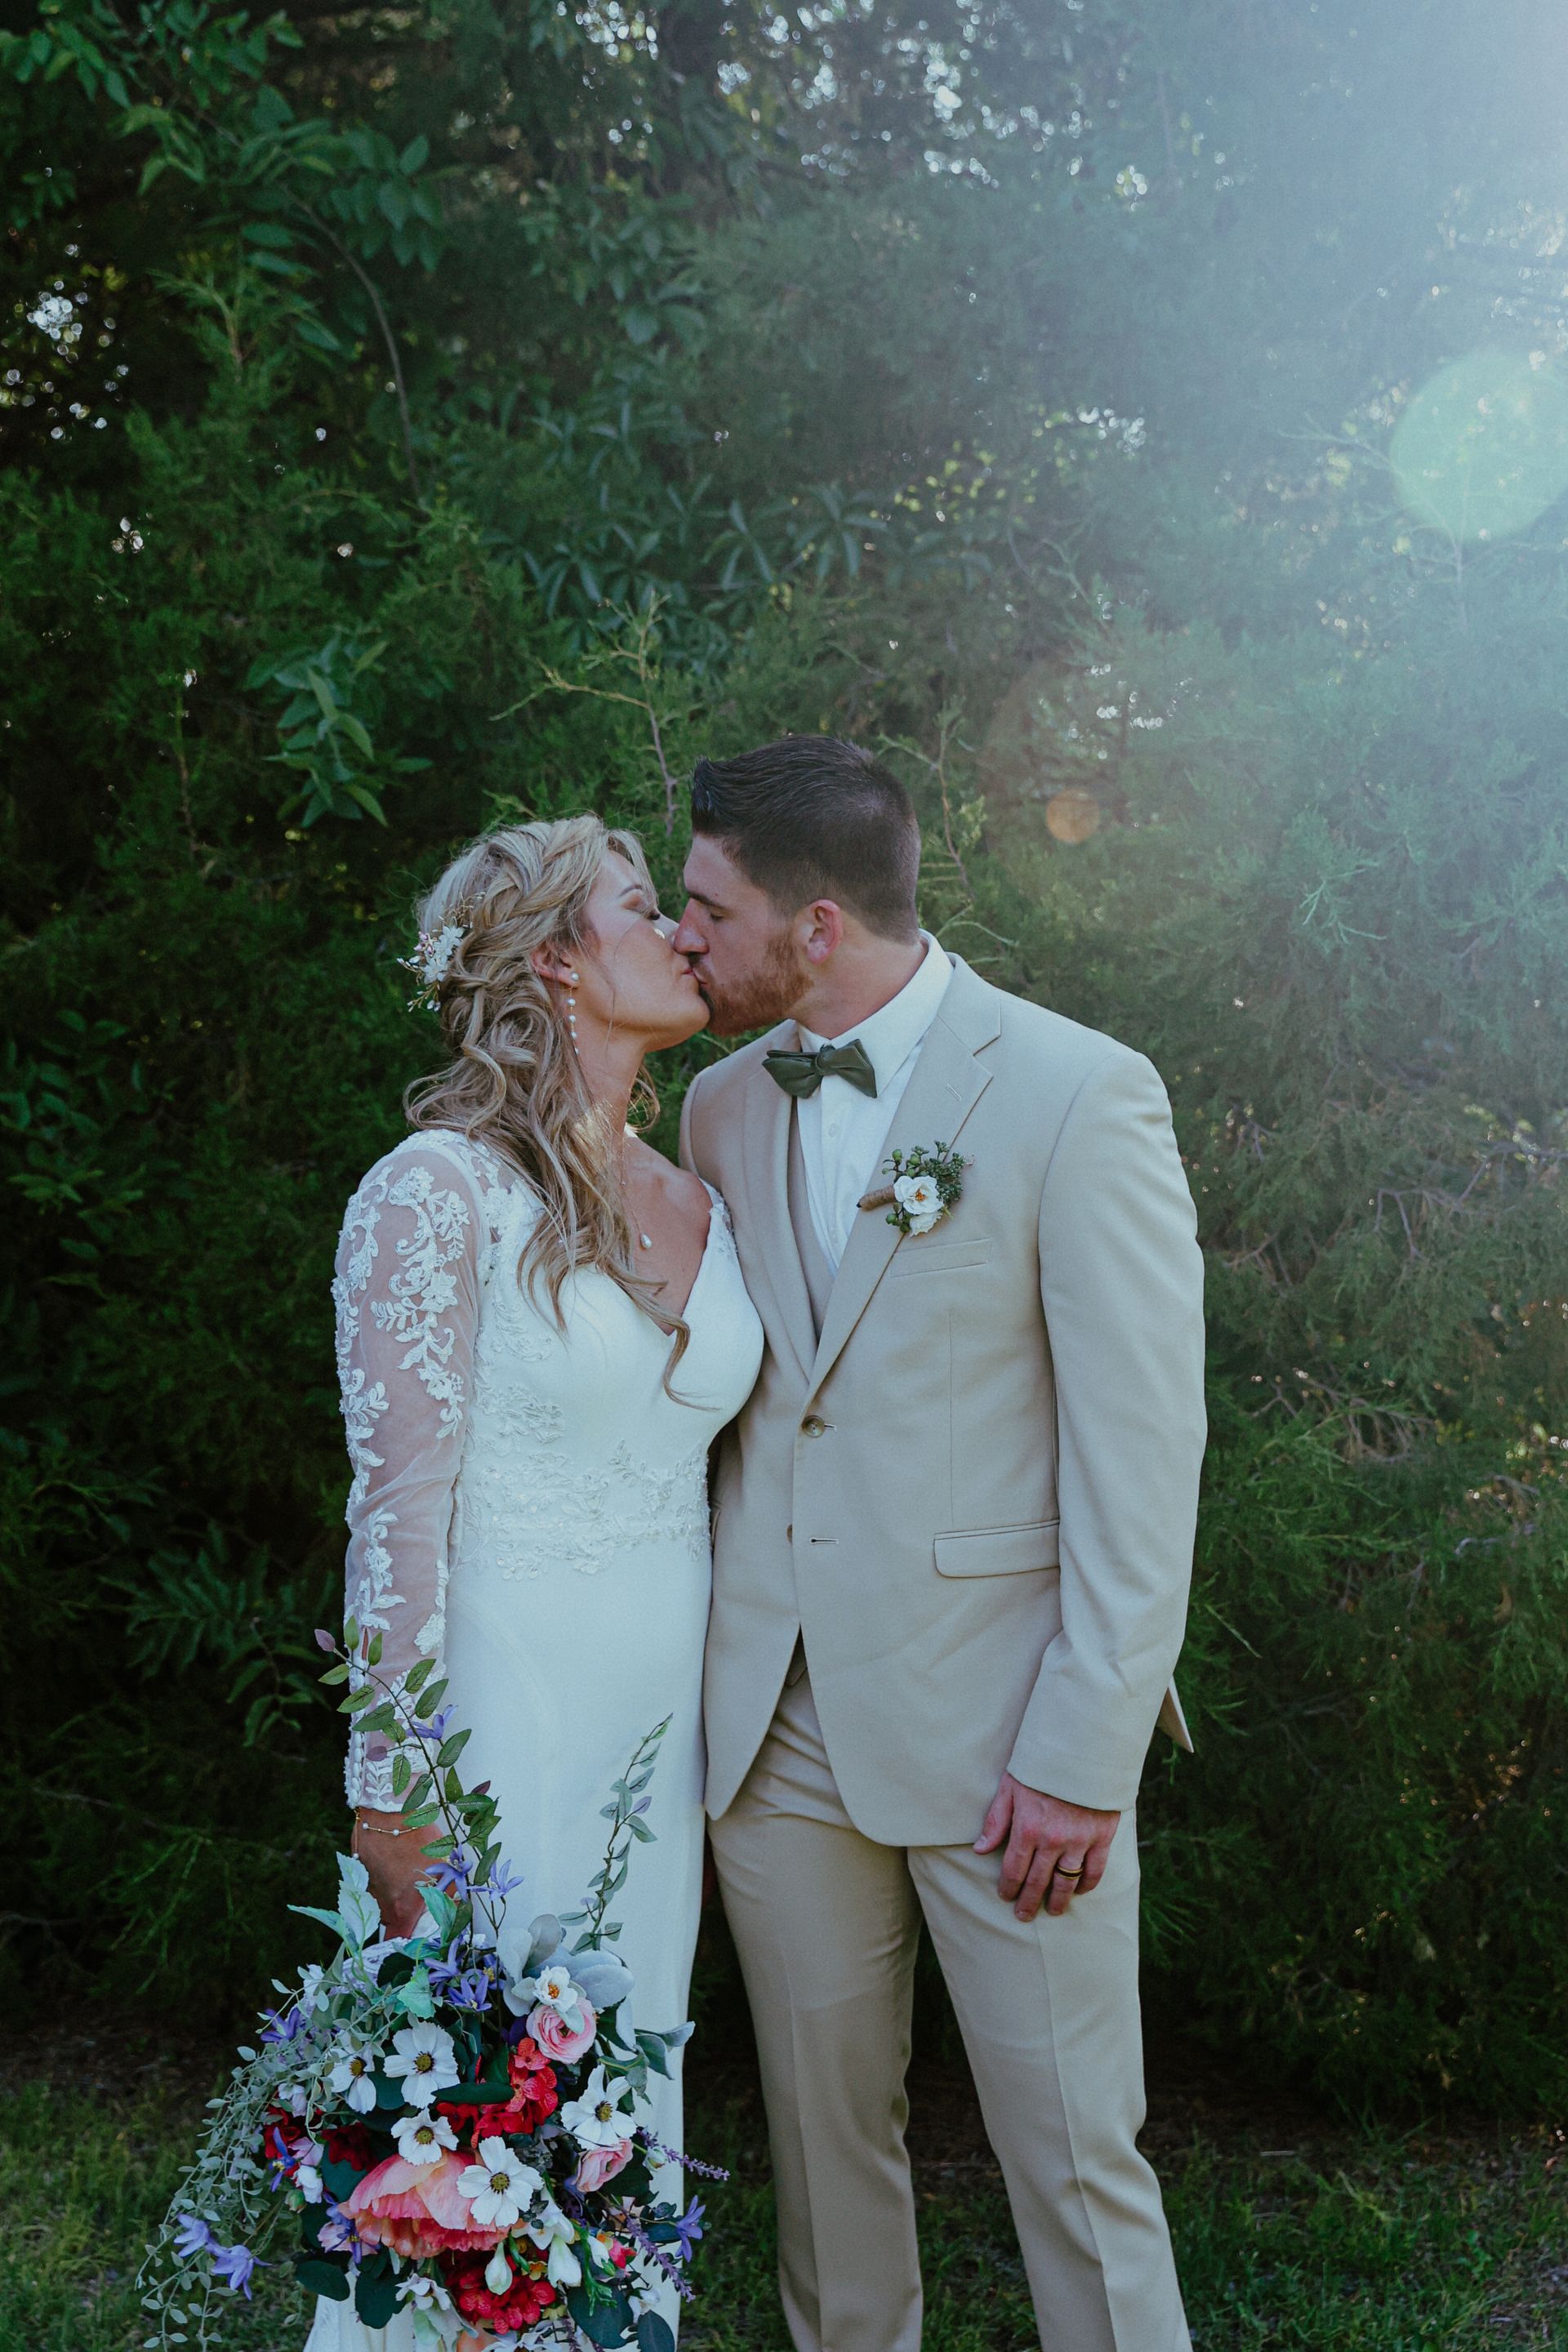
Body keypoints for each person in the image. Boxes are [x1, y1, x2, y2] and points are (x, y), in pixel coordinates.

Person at [674, 736, 1207, 2352]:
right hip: (777, 1735)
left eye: (709, 908)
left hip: (1007, 1739)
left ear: (814, 924)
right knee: (828, 2177)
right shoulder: (714, 1110)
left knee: (1077, 2168)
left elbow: (1144, 1447)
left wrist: (1085, 1749)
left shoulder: (1074, 1089)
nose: (687, 936)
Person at [309, 816, 763, 2352]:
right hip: (496, 1738)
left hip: (664, 1752)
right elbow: (397, 1520)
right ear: (559, 959)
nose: (686, 936)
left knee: (616, 2127)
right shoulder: (438, 1193)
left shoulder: (703, 1188)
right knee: (468, 2156)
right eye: (649, 910)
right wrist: (394, 1800)